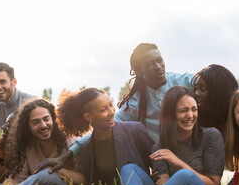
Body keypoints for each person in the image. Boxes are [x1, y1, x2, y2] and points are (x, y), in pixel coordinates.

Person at [41, 42, 194, 173]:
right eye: (150, 64)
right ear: (139, 71)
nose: (158, 67)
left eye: (160, 60)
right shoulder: (136, 103)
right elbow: (102, 127)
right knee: (125, 129)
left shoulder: (183, 81)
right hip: (161, 160)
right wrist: (66, 155)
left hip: (192, 151)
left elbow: (210, 78)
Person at [35, 88, 156, 185]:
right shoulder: (88, 148)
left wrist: (162, 178)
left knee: (128, 170)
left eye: (110, 105)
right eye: (104, 109)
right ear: (88, 117)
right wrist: (65, 175)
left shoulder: (134, 130)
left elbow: (157, 155)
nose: (112, 112)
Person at [130, 86, 225, 185]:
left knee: (185, 175)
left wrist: (178, 162)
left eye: (194, 110)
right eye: (183, 111)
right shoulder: (160, 148)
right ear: (170, 114)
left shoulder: (210, 136)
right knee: (130, 169)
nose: (190, 115)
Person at [0, 98, 85, 185]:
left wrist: (58, 170)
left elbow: (87, 181)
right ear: (28, 126)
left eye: (46, 119)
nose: (43, 125)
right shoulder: (28, 147)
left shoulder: (70, 142)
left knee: (46, 174)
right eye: (35, 122)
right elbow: (17, 180)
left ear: (54, 119)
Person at [190, 64, 239, 136]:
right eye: (196, 88)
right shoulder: (194, 120)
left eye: (203, 89)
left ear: (218, 91)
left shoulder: (237, 120)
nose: (196, 93)